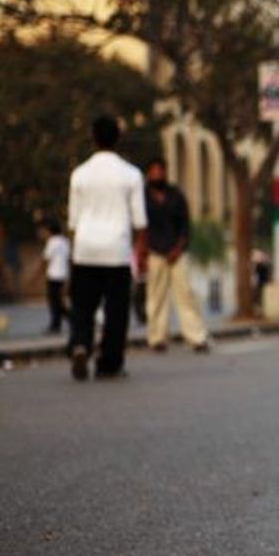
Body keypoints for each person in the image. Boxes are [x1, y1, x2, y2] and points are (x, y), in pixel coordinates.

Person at [67, 115, 147, 381]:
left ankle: (80, 344)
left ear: (93, 137)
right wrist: (141, 255)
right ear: (118, 138)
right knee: (116, 311)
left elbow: (73, 221)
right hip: (117, 250)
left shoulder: (79, 174)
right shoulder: (131, 174)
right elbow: (140, 222)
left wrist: (73, 255)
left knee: (82, 307)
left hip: (85, 249)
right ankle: (109, 363)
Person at [143, 159, 210, 352]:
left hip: (177, 253)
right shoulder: (143, 197)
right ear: (149, 174)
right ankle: (157, 338)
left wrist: (177, 249)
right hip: (154, 252)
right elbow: (141, 227)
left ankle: (196, 336)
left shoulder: (176, 195)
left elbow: (185, 226)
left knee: (186, 295)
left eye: (160, 171)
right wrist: (142, 252)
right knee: (155, 297)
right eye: (153, 172)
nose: (157, 175)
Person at [38, 219, 71, 335]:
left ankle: (56, 325)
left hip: (53, 275)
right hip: (63, 275)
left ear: (49, 231)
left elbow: (45, 260)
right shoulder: (65, 241)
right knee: (59, 302)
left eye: (44, 231)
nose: (42, 233)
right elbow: (69, 259)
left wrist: (38, 275)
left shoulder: (52, 242)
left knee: (54, 302)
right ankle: (65, 322)